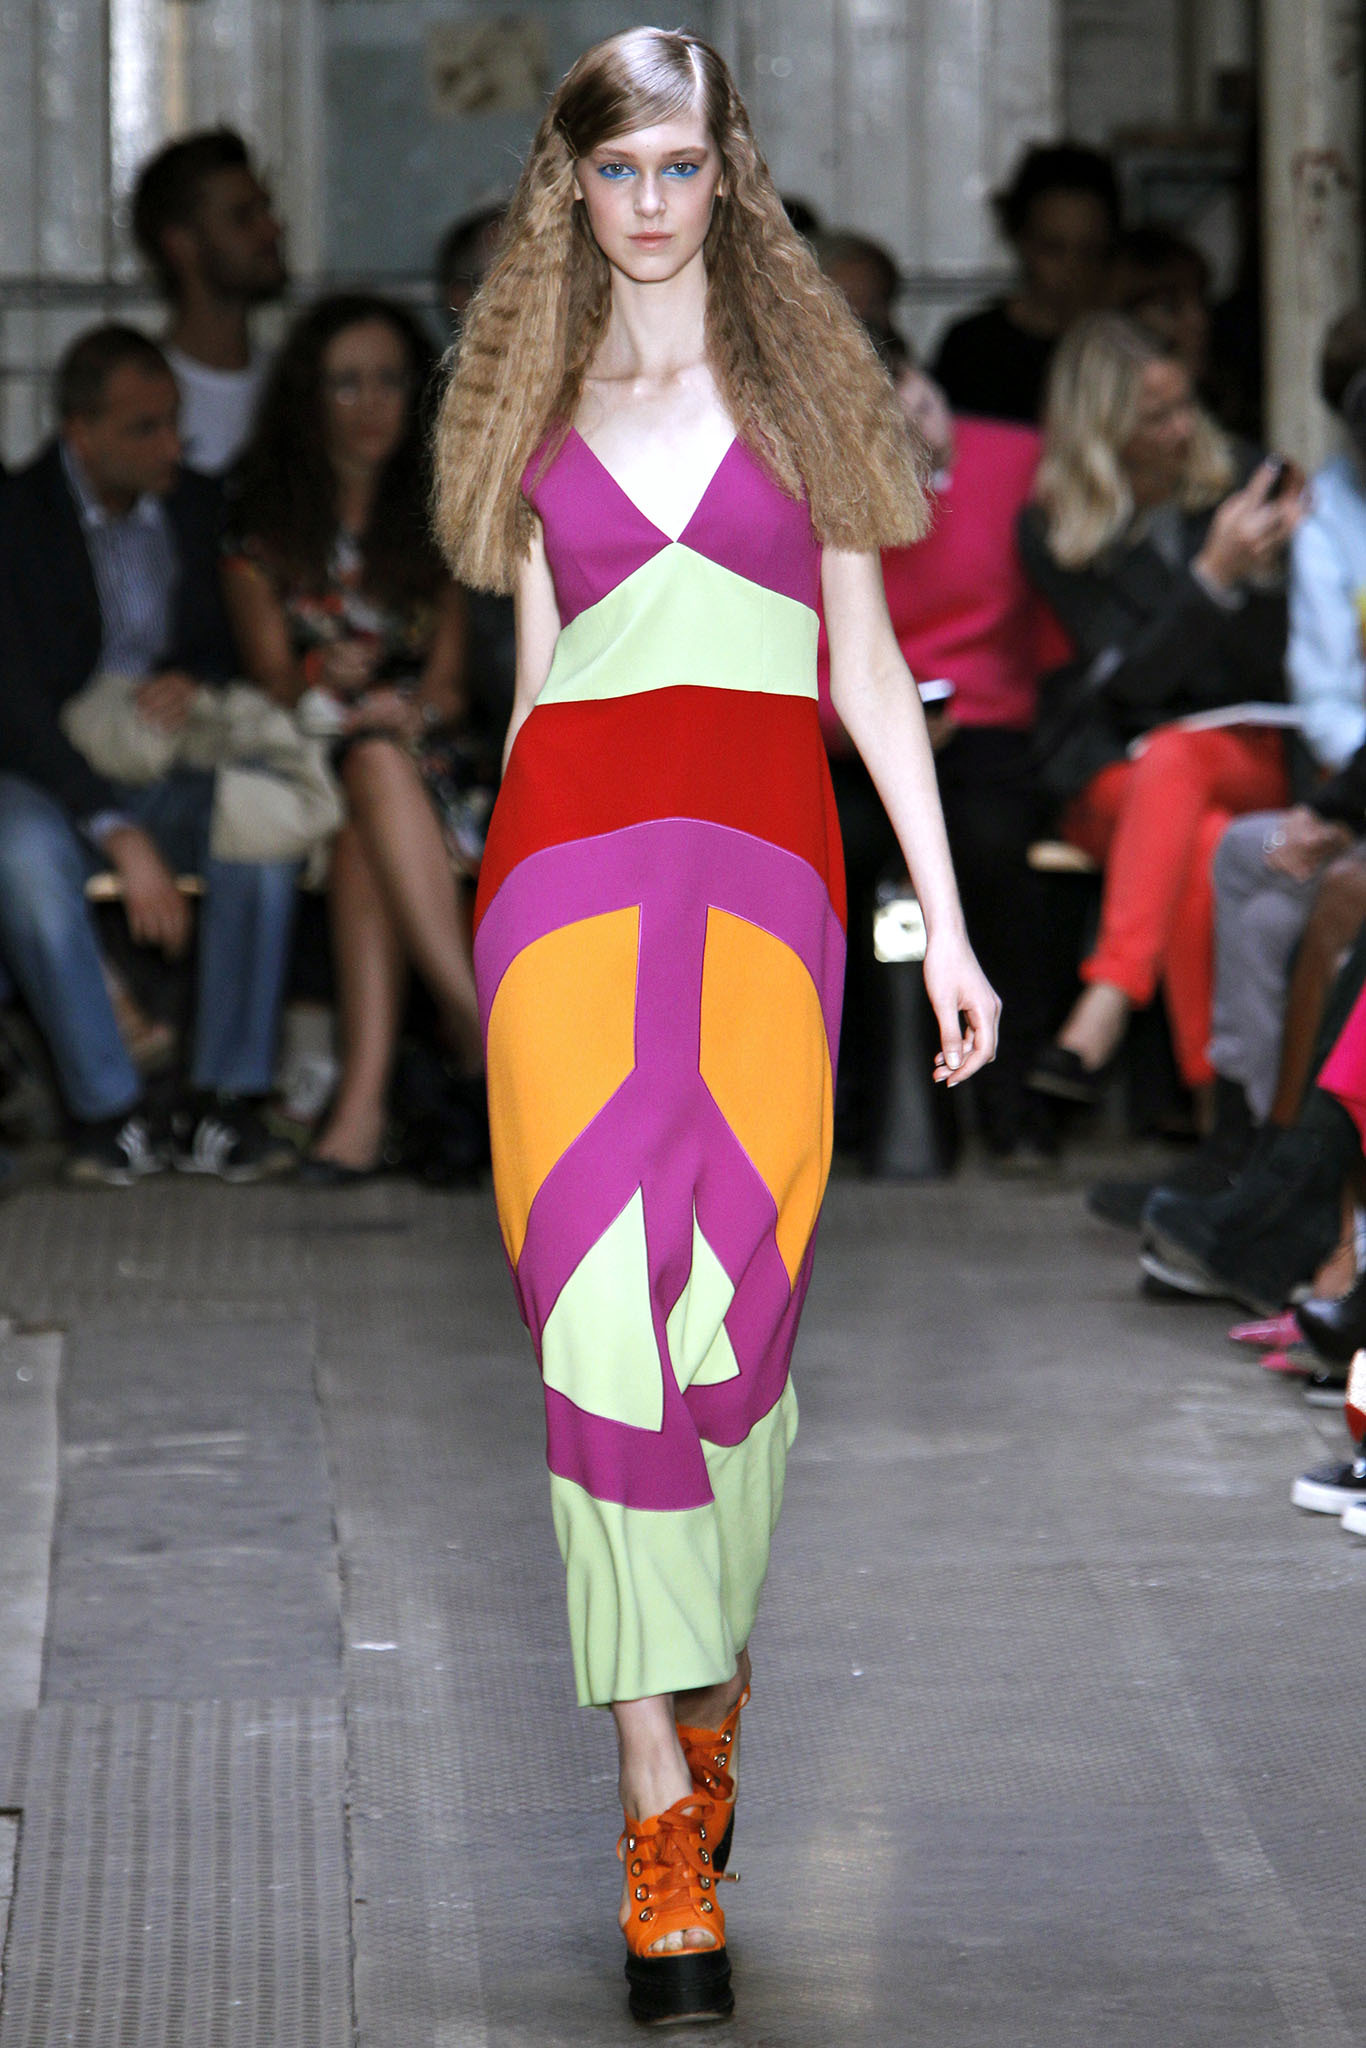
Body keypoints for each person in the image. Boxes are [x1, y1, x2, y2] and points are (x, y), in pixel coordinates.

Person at [433, 26, 998, 2025]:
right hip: (567, 900)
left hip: (766, 898)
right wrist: (491, 938)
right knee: (598, 1317)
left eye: (681, 166)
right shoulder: (530, 407)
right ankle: (654, 1809)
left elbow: (866, 673)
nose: (651, 203)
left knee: (727, 1339)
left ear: (725, 173)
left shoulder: (803, 392)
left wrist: (941, 926)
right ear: (569, 187)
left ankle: (707, 1670)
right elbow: (533, 696)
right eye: (619, 170)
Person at [0, 325, 299, 1185]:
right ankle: (109, 1111)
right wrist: (114, 826)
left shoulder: (197, 507)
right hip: (48, 771)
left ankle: (226, 1103)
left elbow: (233, 644)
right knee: (22, 854)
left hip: (166, 758)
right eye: (144, 428)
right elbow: (15, 709)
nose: (171, 445)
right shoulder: (17, 519)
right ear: (80, 433)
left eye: (174, 423)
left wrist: (192, 680)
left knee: (261, 823)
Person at [223, 294, 483, 1183]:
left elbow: (449, 688)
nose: (371, 404)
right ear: (308, 398)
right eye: (345, 384)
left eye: (388, 381)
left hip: (429, 766)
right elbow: (267, 675)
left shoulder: (442, 511)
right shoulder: (261, 521)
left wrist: (412, 715)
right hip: (307, 757)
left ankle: (362, 1110)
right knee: (364, 786)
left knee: (370, 804)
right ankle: (486, 1032)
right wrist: (317, 675)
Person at [1019, 315, 1298, 1130]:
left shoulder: (1244, 480)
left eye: (1185, 405)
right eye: (1156, 416)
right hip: (1119, 766)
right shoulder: (1055, 522)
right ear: (1101, 428)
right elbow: (1130, 683)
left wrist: (1261, 575)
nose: (1182, 429)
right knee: (1201, 840)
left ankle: (1109, 995)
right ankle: (1221, 1114)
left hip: (1248, 747)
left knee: (1177, 763)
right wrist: (1212, 577)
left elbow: (1277, 662)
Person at [131, 129, 287, 475]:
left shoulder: (290, 386)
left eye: (265, 210)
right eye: (243, 217)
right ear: (181, 244)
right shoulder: (141, 397)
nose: (272, 229)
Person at [931, 141, 1121, 425]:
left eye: (1089, 251)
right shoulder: (972, 348)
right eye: (1053, 249)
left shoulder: (1121, 349)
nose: (1072, 268)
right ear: (1021, 241)